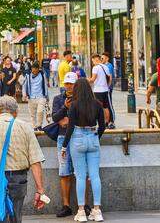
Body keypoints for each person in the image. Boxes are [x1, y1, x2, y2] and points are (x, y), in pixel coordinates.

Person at [0, 95, 47, 223]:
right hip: (18, 179)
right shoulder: (25, 127)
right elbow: (35, 161)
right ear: (16, 112)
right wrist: (40, 190)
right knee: (15, 216)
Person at [62, 78, 107, 222]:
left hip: (78, 138)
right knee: (95, 176)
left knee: (80, 176)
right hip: (93, 138)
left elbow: (70, 127)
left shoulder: (74, 105)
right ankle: (97, 210)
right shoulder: (97, 104)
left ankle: (81, 211)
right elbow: (103, 126)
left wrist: (64, 146)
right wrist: (95, 138)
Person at [51, 72, 79, 218]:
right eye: (66, 84)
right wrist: (64, 108)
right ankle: (66, 205)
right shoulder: (58, 99)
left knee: (81, 173)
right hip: (63, 137)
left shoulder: (82, 98)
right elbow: (55, 117)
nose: (68, 87)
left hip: (78, 136)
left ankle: (84, 205)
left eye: (71, 84)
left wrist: (69, 120)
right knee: (64, 172)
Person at [21, 60, 48, 129]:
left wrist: (46, 95)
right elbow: (24, 85)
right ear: (31, 69)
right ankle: (34, 126)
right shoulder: (28, 75)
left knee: (40, 111)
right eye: (33, 69)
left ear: (38, 69)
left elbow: (45, 84)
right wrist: (24, 94)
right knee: (32, 114)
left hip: (41, 96)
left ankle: (39, 125)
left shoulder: (42, 74)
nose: (35, 71)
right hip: (31, 97)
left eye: (36, 69)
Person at [89, 54, 111, 124]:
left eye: (93, 61)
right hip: (105, 90)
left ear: (96, 59)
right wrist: (107, 86)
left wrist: (85, 80)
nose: (93, 63)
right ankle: (106, 122)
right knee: (106, 107)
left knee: (97, 107)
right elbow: (110, 78)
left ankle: (99, 122)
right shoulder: (106, 67)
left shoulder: (95, 68)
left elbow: (92, 79)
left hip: (98, 91)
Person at [101, 52, 115, 127]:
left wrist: (108, 87)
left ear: (107, 58)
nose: (101, 59)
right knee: (105, 105)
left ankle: (111, 121)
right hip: (104, 88)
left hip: (108, 88)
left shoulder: (109, 66)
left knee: (109, 104)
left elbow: (110, 77)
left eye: (102, 58)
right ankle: (107, 120)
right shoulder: (103, 66)